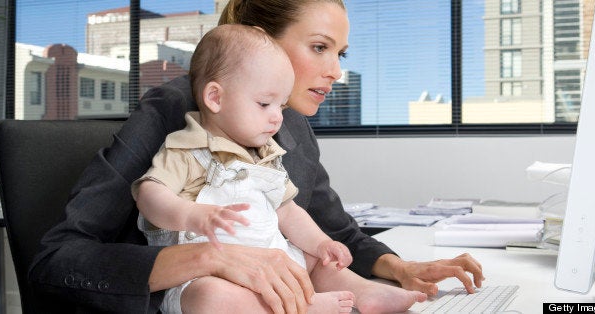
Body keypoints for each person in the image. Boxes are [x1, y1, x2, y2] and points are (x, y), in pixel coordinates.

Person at [29, 0, 484, 313]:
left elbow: (336, 229)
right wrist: (206, 258)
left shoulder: (291, 127)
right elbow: (57, 260)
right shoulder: (173, 111)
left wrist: (401, 268)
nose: (336, 71)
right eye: (320, 47)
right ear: (259, 39)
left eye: (341, 53)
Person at [133, 24, 428, 313]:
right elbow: (149, 192)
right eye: (264, 104)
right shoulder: (187, 149)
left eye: (281, 107)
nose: (276, 118)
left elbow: (288, 211)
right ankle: (303, 307)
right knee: (212, 297)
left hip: (273, 265)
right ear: (215, 98)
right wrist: (190, 215)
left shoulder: (266, 156)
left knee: (315, 260)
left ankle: (363, 293)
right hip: (206, 276)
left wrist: (322, 242)